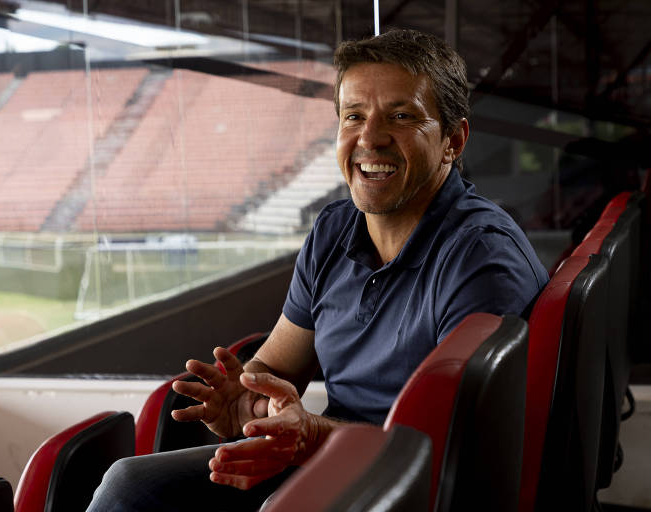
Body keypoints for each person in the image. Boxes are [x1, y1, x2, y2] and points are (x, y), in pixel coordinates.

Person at [87, 27, 549, 511]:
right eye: (353, 116)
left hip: (417, 486)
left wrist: (310, 438)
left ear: (453, 140)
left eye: (400, 116)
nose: (369, 138)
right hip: (331, 457)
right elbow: (272, 366)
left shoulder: (482, 260)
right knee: (129, 483)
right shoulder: (334, 229)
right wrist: (252, 404)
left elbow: (460, 452)